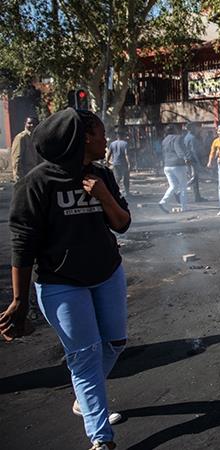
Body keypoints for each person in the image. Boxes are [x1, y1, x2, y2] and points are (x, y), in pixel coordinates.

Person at [1, 108, 131, 450]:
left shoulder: (102, 176)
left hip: (108, 274)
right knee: (85, 356)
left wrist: (103, 195)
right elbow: (22, 245)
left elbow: (122, 224)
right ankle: (101, 438)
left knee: (115, 343)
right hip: (61, 283)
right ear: (83, 139)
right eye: (101, 134)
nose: (106, 140)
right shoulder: (36, 184)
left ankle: (84, 397)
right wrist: (19, 300)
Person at [158, 125, 190, 213]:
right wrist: (185, 158)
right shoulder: (178, 138)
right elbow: (178, 149)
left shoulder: (164, 140)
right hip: (178, 165)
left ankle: (163, 202)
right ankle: (184, 207)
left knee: (173, 186)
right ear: (174, 130)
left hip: (167, 165)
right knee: (183, 186)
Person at [10, 116, 41, 182]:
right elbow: (17, 159)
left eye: (34, 124)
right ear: (25, 124)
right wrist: (18, 177)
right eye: (29, 123)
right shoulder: (21, 138)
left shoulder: (36, 137)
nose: (32, 125)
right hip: (25, 175)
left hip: (35, 174)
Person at [183, 123, 208, 202]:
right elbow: (194, 152)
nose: (198, 129)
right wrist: (199, 163)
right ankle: (179, 190)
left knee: (195, 179)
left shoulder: (186, 137)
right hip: (192, 161)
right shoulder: (192, 138)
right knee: (193, 178)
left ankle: (197, 196)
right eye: (197, 127)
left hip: (189, 160)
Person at [106, 130, 130, 197]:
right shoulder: (125, 143)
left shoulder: (112, 144)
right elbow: (126, 154)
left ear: (117, 136)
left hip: (115, 163)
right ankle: (127, 193)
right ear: (123, 136)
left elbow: (109, 153)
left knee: (117, 178)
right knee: (125, 178)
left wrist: (107, 161)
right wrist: (129, 163)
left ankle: (114, 192)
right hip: (123, 163)